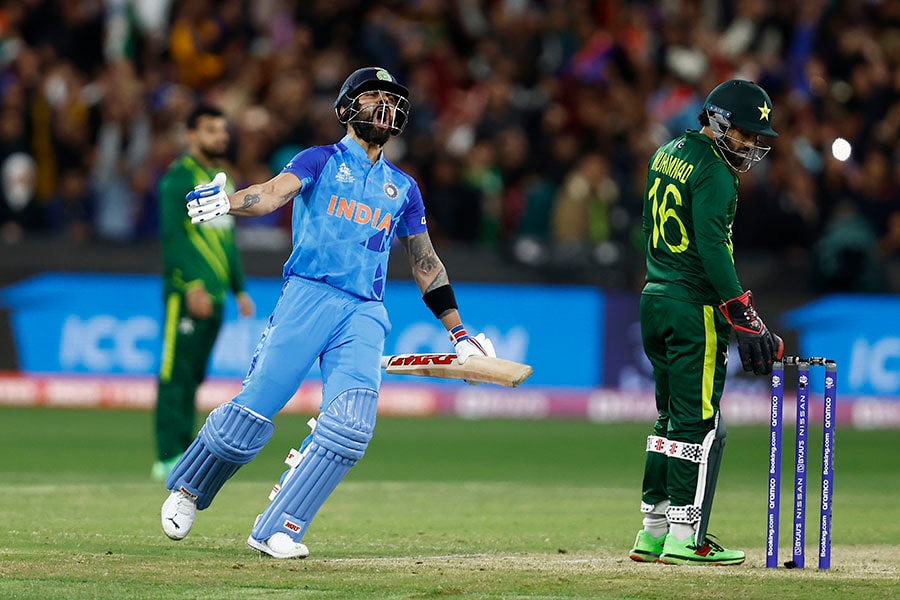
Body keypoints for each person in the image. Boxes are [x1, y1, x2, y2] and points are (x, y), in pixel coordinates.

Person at [159, 67, 496, 559]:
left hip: (364, 310)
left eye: (391, 100)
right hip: (308, 297)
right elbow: (272, 193)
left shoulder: (403, 187)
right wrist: (228, 203)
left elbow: (425, 262)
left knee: (352, 426)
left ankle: (280, 528)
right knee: (254, 409)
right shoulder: (320, 159)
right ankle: (189, 488)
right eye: (372, 97)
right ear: (346, 107)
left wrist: (459, 333)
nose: (384, 107)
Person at [629, 80, 784, 566]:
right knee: (700, 422)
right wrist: (742, 313)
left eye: (756, 137)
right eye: (744, 134)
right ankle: (685, 535)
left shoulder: (666, 152)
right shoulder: (716, 172)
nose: (751, 145)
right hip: (694, 305)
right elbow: (714, 248)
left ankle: (652, 532)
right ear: (716, 122)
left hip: (654, 296)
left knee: (668, 417)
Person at [152, 104, 255, 482]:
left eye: (223, 129)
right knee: (174, 375)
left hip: (216, 296)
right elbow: (173, 238)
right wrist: (190, 285)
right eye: (212, 130)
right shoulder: (178, 180)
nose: (221, 137)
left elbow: (227, 240)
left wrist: (239, 289)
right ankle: (166, 455)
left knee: (194, 377)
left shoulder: (220, 181)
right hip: (187, 295)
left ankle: (179, 451)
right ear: (191, 135)